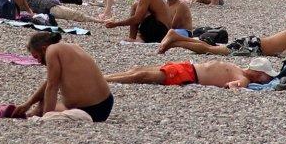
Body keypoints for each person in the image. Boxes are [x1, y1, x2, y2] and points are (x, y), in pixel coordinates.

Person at [15, 32, 114, 122]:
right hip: (104, 103)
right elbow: (49, 81)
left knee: (45, 109)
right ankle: (34, 112)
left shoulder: (51, 50)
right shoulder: (69, 47)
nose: (38, 61)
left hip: (90, 109)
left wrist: (46, 118)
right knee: (42, 105)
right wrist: (29, 103)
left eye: (37, 57)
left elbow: (52, 86)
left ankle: (39, 114)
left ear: (44, 48)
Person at [158, 11, 286, 57]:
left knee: (210, 47)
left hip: (254, 44)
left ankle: (176, 39)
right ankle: (176, 39)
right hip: (254, 47)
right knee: (210, 49)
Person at [106, 56, 274, 89]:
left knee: (141, 76)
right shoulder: (239, 70)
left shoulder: (242, 78)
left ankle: (105, 80)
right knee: (138, 70)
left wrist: (235, 86)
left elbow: (234, 86)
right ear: (258, 73)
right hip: (186, 67)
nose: (262, 80)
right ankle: (104, 77)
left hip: (189, 74)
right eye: (264, 76)